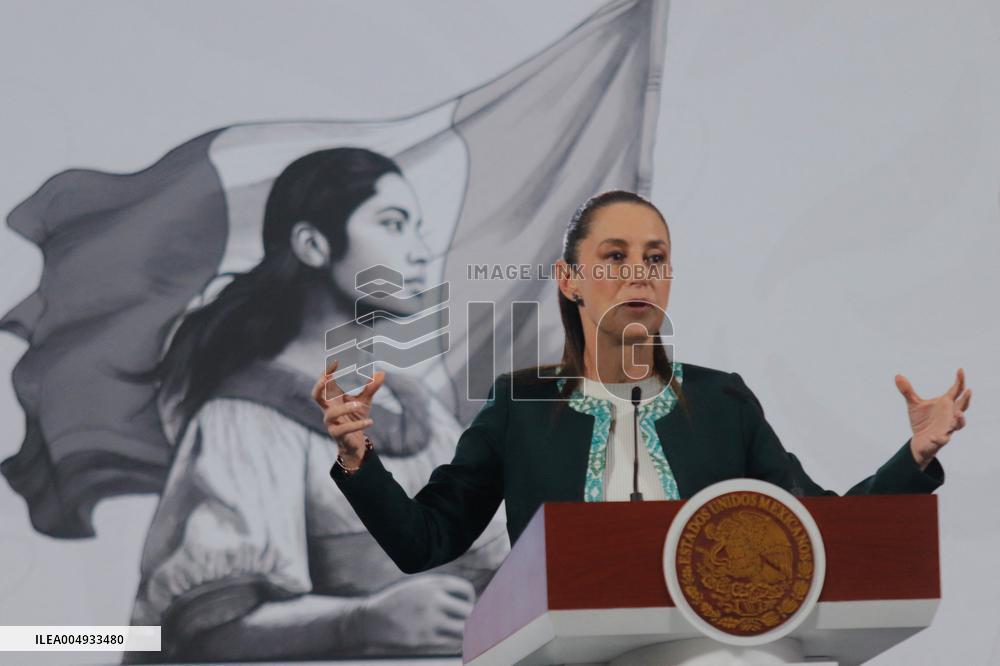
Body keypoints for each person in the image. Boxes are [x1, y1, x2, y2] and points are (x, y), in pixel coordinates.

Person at [318, 189, 972, 577]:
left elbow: (817, 527)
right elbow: (425, 541)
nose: (640, 273)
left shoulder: (723, 402)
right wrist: (358, 458)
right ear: (570, 280)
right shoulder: (521, 407)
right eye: (615, 257)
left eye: (655, 259)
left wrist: (913, 457)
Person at [126, 148, 508, 662]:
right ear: (313, 244)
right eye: (393, 224)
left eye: (418, 227)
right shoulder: (246, 420)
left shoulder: (416, 405)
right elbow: (206, 630)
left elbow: (494, 560)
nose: (420, 251)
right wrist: (360, 623)